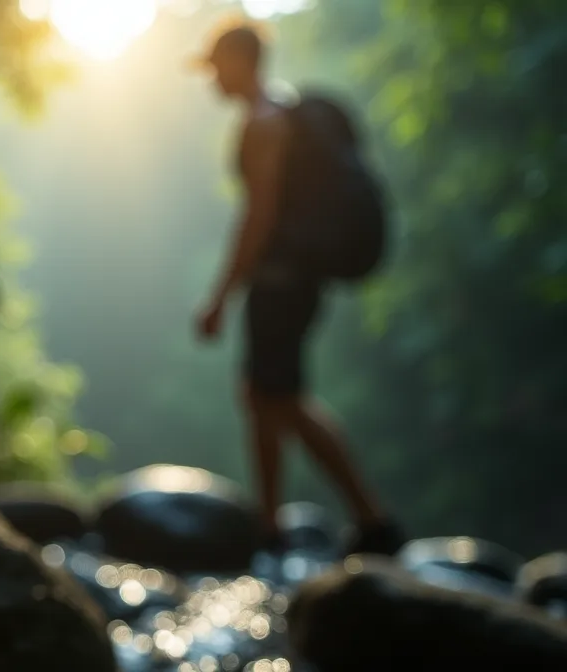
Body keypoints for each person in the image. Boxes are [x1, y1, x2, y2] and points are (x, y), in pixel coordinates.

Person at [189, 21, 404, 557]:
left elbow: (257, 218)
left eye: (215, 65)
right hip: (296, 277)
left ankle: (369, 519)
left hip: (281, 281)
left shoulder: (265, 124)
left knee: (277, 397)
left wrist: (220, 297)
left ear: (239, 61)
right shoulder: (286, 112)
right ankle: (274, 524)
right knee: (264, 394)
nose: (210, 77)